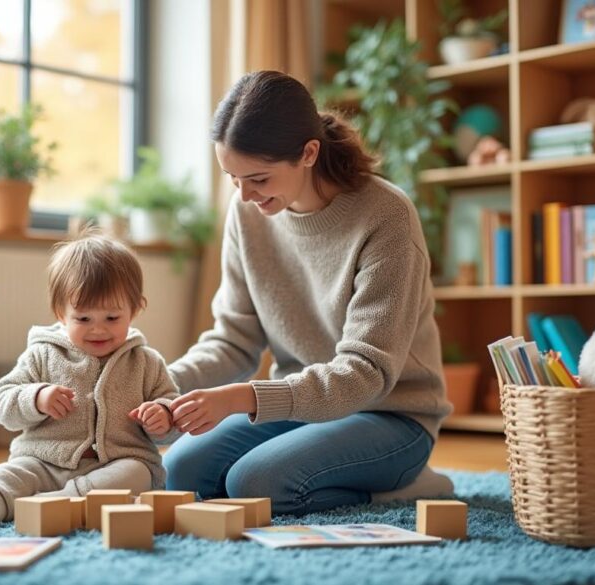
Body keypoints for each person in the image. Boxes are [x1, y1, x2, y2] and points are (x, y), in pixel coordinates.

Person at [163, 70, 454, 515]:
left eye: (258, 178)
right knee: (180, 469)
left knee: (254, 482)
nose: (243, 196)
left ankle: (406, 485)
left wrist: (241, 398)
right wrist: (158, 387)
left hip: (390, 414)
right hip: (299, 404)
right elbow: (233, 340)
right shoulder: (249, 213)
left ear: (308, 153)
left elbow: (365, 373)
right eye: (232, 178)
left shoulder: (387, 216)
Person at [0, 232, 179, 532]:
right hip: (42, 461)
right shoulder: (42, 354)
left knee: (138, 473)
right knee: (10, 475)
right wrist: (36, 398)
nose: (98, 330)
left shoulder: (147, 363)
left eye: (112, 318)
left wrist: (163, 416)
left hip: (112, 467)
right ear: (61, 313)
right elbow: (1, 401)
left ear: (136, 309)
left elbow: (172, 409)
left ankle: (59, 502)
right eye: (83, 319)